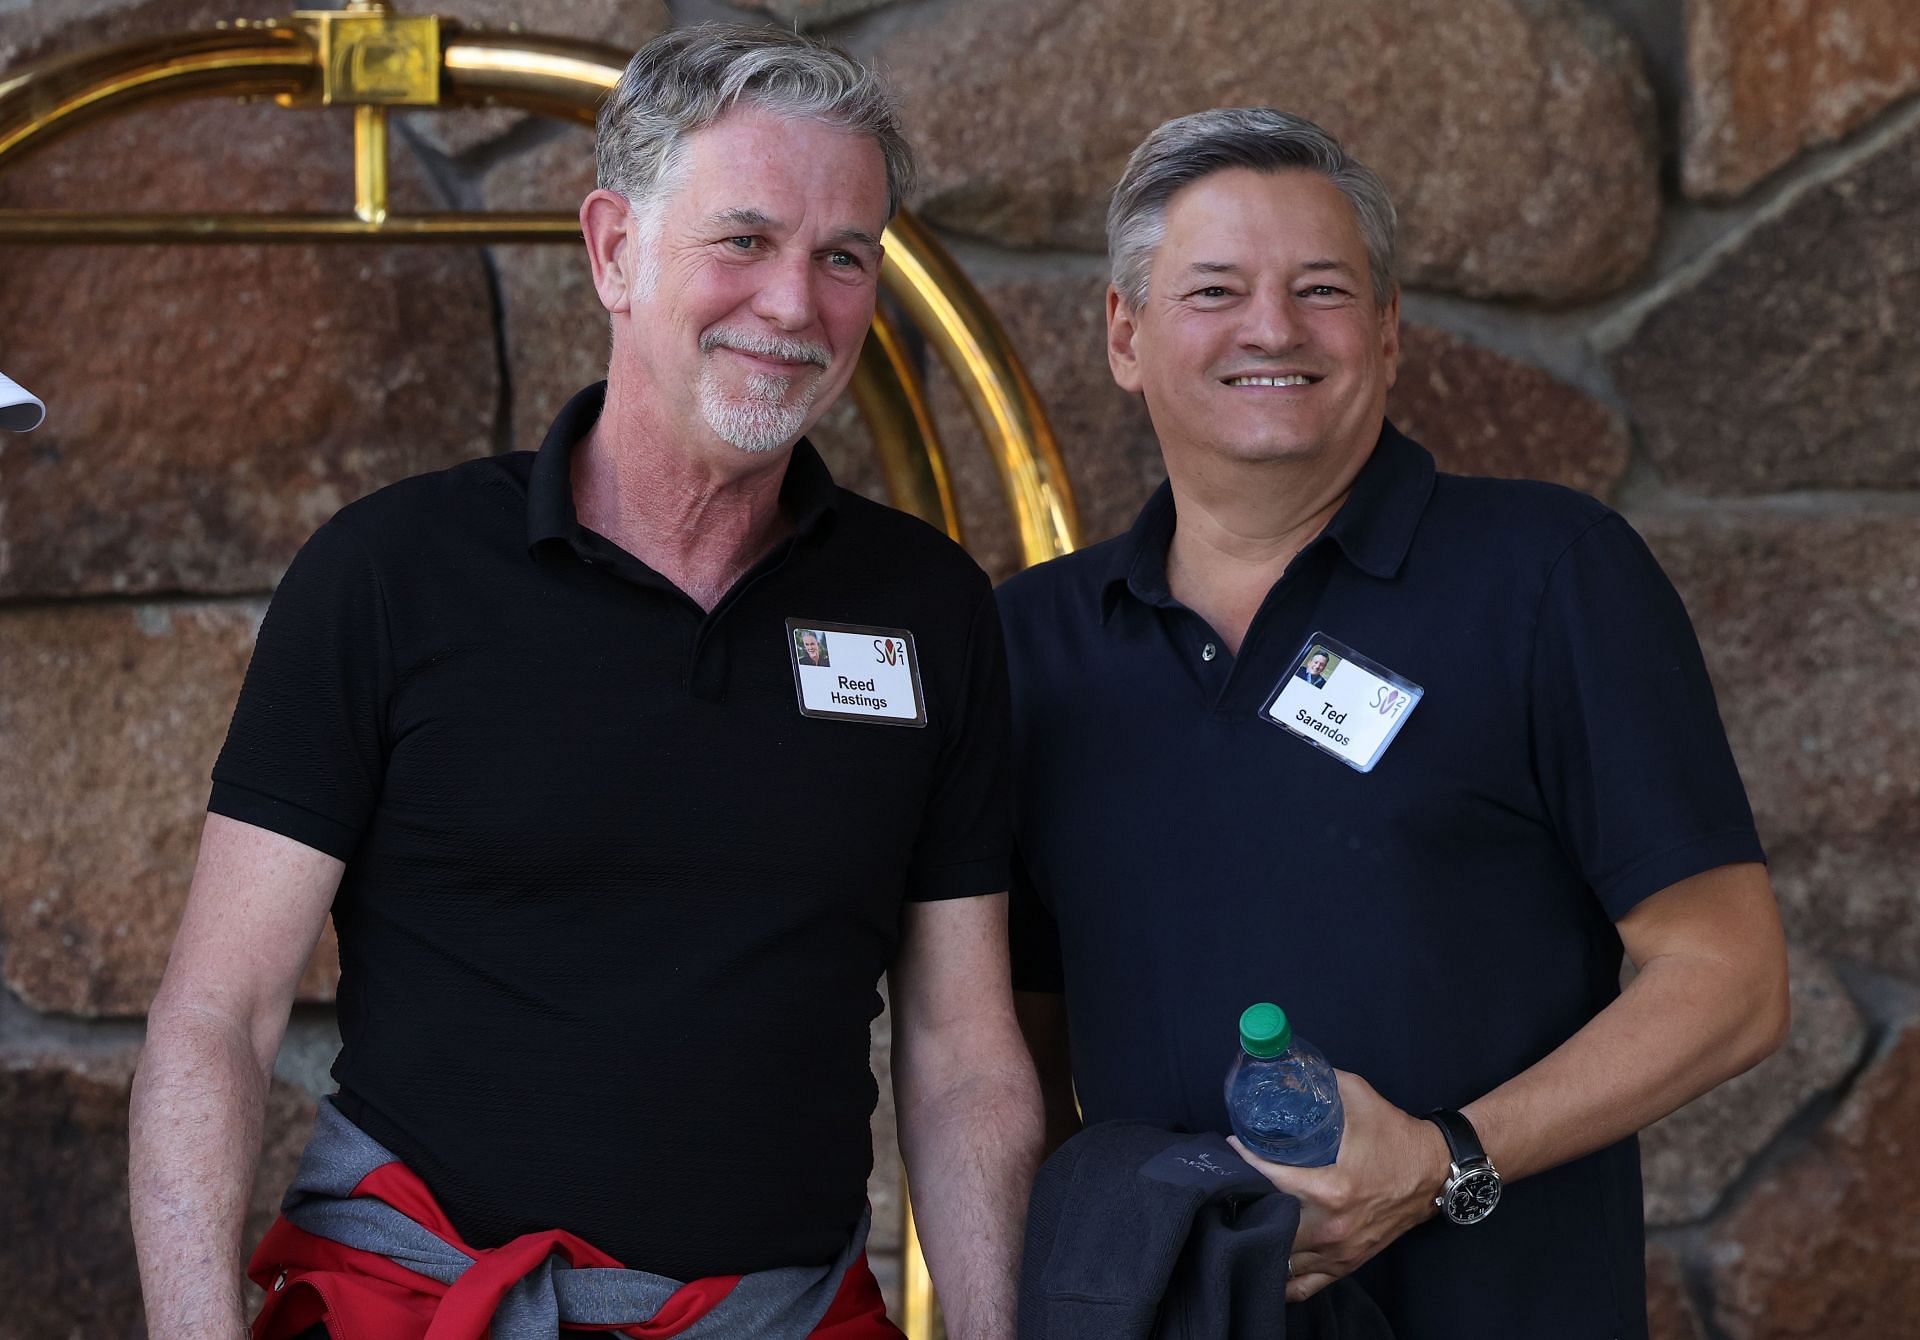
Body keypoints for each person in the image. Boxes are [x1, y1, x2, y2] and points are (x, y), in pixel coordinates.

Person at [129, 26, 1041, 1340]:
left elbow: (962, 1060)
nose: (794, 303)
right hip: (419, 1305)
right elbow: (220, 1012)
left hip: (780, 1316)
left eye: (843, 257)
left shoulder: (928, 608)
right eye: (743, 241)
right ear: (614, 248)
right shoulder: (393, 570)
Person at [998, 108, 1789, 1340]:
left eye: (1321, 288)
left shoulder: (1549, 573)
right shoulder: (1030, 642)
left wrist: (1444, 1154)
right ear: (1124, 332)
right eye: (1214, 289)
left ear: (1387, 330)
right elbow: (1011, 1045)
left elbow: (1730, 976)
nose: (1271, 327)